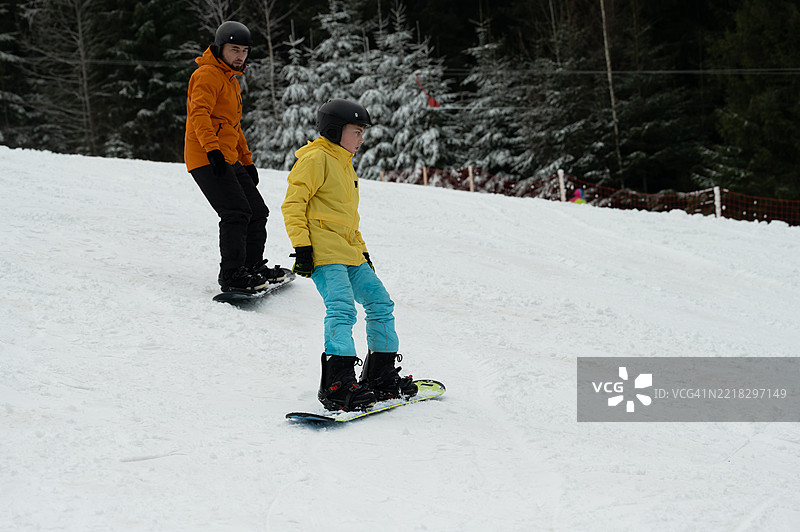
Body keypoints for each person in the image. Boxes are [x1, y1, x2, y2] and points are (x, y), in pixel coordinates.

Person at [281, 99, 417, 412]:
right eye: (357, 131)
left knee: (381, 303)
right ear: (335, 130)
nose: (362, 138)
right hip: (324, 254)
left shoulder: (345, 164)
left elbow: (348, 219)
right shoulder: (315, 159)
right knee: (342, 310)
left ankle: (380, 376)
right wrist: (302, 247)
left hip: (350, 253)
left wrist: (363, 253)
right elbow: (293, 205)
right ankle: (337, 386)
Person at [184, 21, 284, 293]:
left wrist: (247, 161)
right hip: (206, 156)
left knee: (258, 211)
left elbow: (233, 127)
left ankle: (252, 267)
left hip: (227, 156)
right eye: (234, 49)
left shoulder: (231, 80)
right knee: (236, 212)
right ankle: (231, 275)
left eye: (244, 51)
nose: (240, 56)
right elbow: (199, 115)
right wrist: (212, 150)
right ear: (220, 48)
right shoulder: (207, 75)